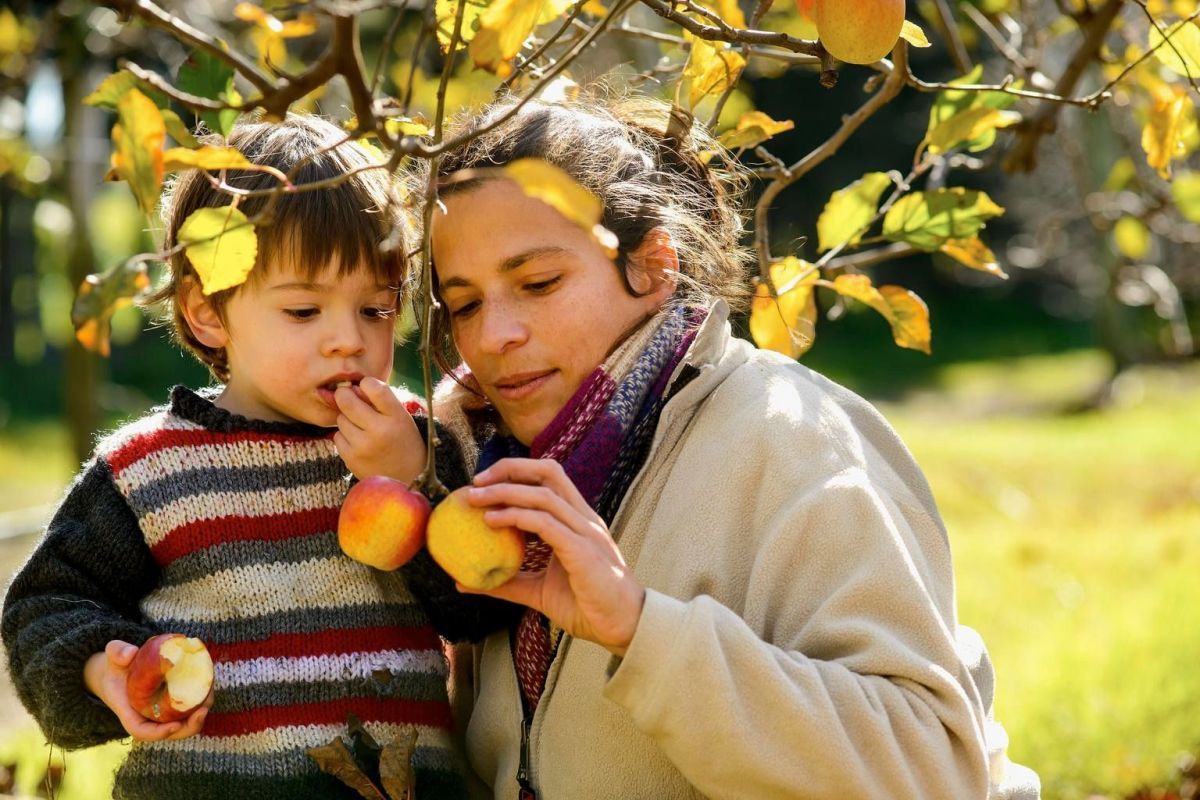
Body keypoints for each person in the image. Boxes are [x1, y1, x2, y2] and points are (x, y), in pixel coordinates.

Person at [395, 95, 1042, 799]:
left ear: (654, 267)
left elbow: (931, 768)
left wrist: (639, 628)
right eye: (465, 304)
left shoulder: (793, 436)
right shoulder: (484, 464)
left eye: (538, 283)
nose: (494, 336)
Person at [1, 116, 472, 799]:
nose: (348, 339)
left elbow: (478, 609)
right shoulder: (151, 470)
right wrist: (105, 670)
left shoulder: (414, 443)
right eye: (304, 311)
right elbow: (43, 608)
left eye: (374, 310)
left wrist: (411, 481)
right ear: (207, 313)